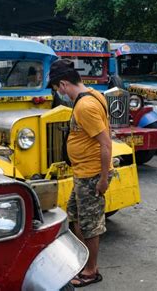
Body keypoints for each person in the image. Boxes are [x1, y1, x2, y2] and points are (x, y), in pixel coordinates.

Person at [48, 59, 113, 288]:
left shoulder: (86, 106)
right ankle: (81, 262)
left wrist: (103, 179)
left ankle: (91, 271)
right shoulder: (94, 94)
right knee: (75, 215)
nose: (60, 94)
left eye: (58, 89)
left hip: (91, 175)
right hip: (83, 172)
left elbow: (106, 144)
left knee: (90, 224)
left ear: (64, 84)